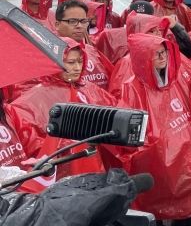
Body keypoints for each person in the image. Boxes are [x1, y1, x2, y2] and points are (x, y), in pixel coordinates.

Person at [99, 33, 191, 226]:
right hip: (155, 159)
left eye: (164, 53)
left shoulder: (178, 78)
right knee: (157, 208)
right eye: (155, 54)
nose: (161, 58)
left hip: (187, 155)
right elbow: (126, 125)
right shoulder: (132, 88)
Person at [5, 39, 113, 188]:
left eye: (80, 62)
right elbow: (31, 141)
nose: (77, 67)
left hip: (90, 162)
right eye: (70, 63)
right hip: (59, 172)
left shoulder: (89, 89)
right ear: (54, 62)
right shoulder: (36, 96)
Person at [51, 0, 113, 92]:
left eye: (83, 21)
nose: (79, 26)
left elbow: (112, 80)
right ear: (57, 25)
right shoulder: (49, 54)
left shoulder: (92, 51)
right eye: (72, 21)